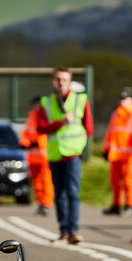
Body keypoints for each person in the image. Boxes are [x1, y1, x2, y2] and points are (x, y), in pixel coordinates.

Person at [36, 67, 94, 244]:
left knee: (72, 193)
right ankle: (63, 232)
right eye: (58, 79)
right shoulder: (46, 102)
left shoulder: (80, 100)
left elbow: (88, 127)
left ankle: (73, 231)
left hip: (73, 154)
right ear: (53, 81)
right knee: (59, 194)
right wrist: (60, 123)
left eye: (64, 80)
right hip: (55, 154)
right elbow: (40, 127)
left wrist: (80, 146)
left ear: (70, 82)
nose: (61, 83)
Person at [102, 89, 132, 215]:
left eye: (125, 99)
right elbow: (110, 133)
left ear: (130, 100)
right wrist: (106, 150)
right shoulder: (116, 114)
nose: (122, 101)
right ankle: (116, 205)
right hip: (116, 155)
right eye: (121, 99)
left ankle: (130, 204)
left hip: (130, 156)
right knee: (115, 181)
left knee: (128, 181)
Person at [19, 96, 54, 216]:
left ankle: (46, 204)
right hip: (33, 157)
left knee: (46, 181)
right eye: (34, 105)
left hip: (44, 156)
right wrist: (24, 143)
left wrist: (37, 143)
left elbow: (47, 134)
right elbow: (26, 134)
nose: (36, 107)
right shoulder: (31, 117)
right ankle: (40, 203)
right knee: (37, 182)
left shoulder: (46, 116)